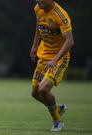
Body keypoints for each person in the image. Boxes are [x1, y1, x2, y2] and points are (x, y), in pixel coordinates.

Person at [30, 0, 74, 132]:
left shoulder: (60, 15)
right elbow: (39, 26)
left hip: (60, 57)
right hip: (43, 56)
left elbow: (70, 41)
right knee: (35, 93)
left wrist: (55, 59)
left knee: (43, 89)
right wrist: (34, 45)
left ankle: (57, 122)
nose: (37, 0)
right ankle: (58, 108)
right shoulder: (38, 8)